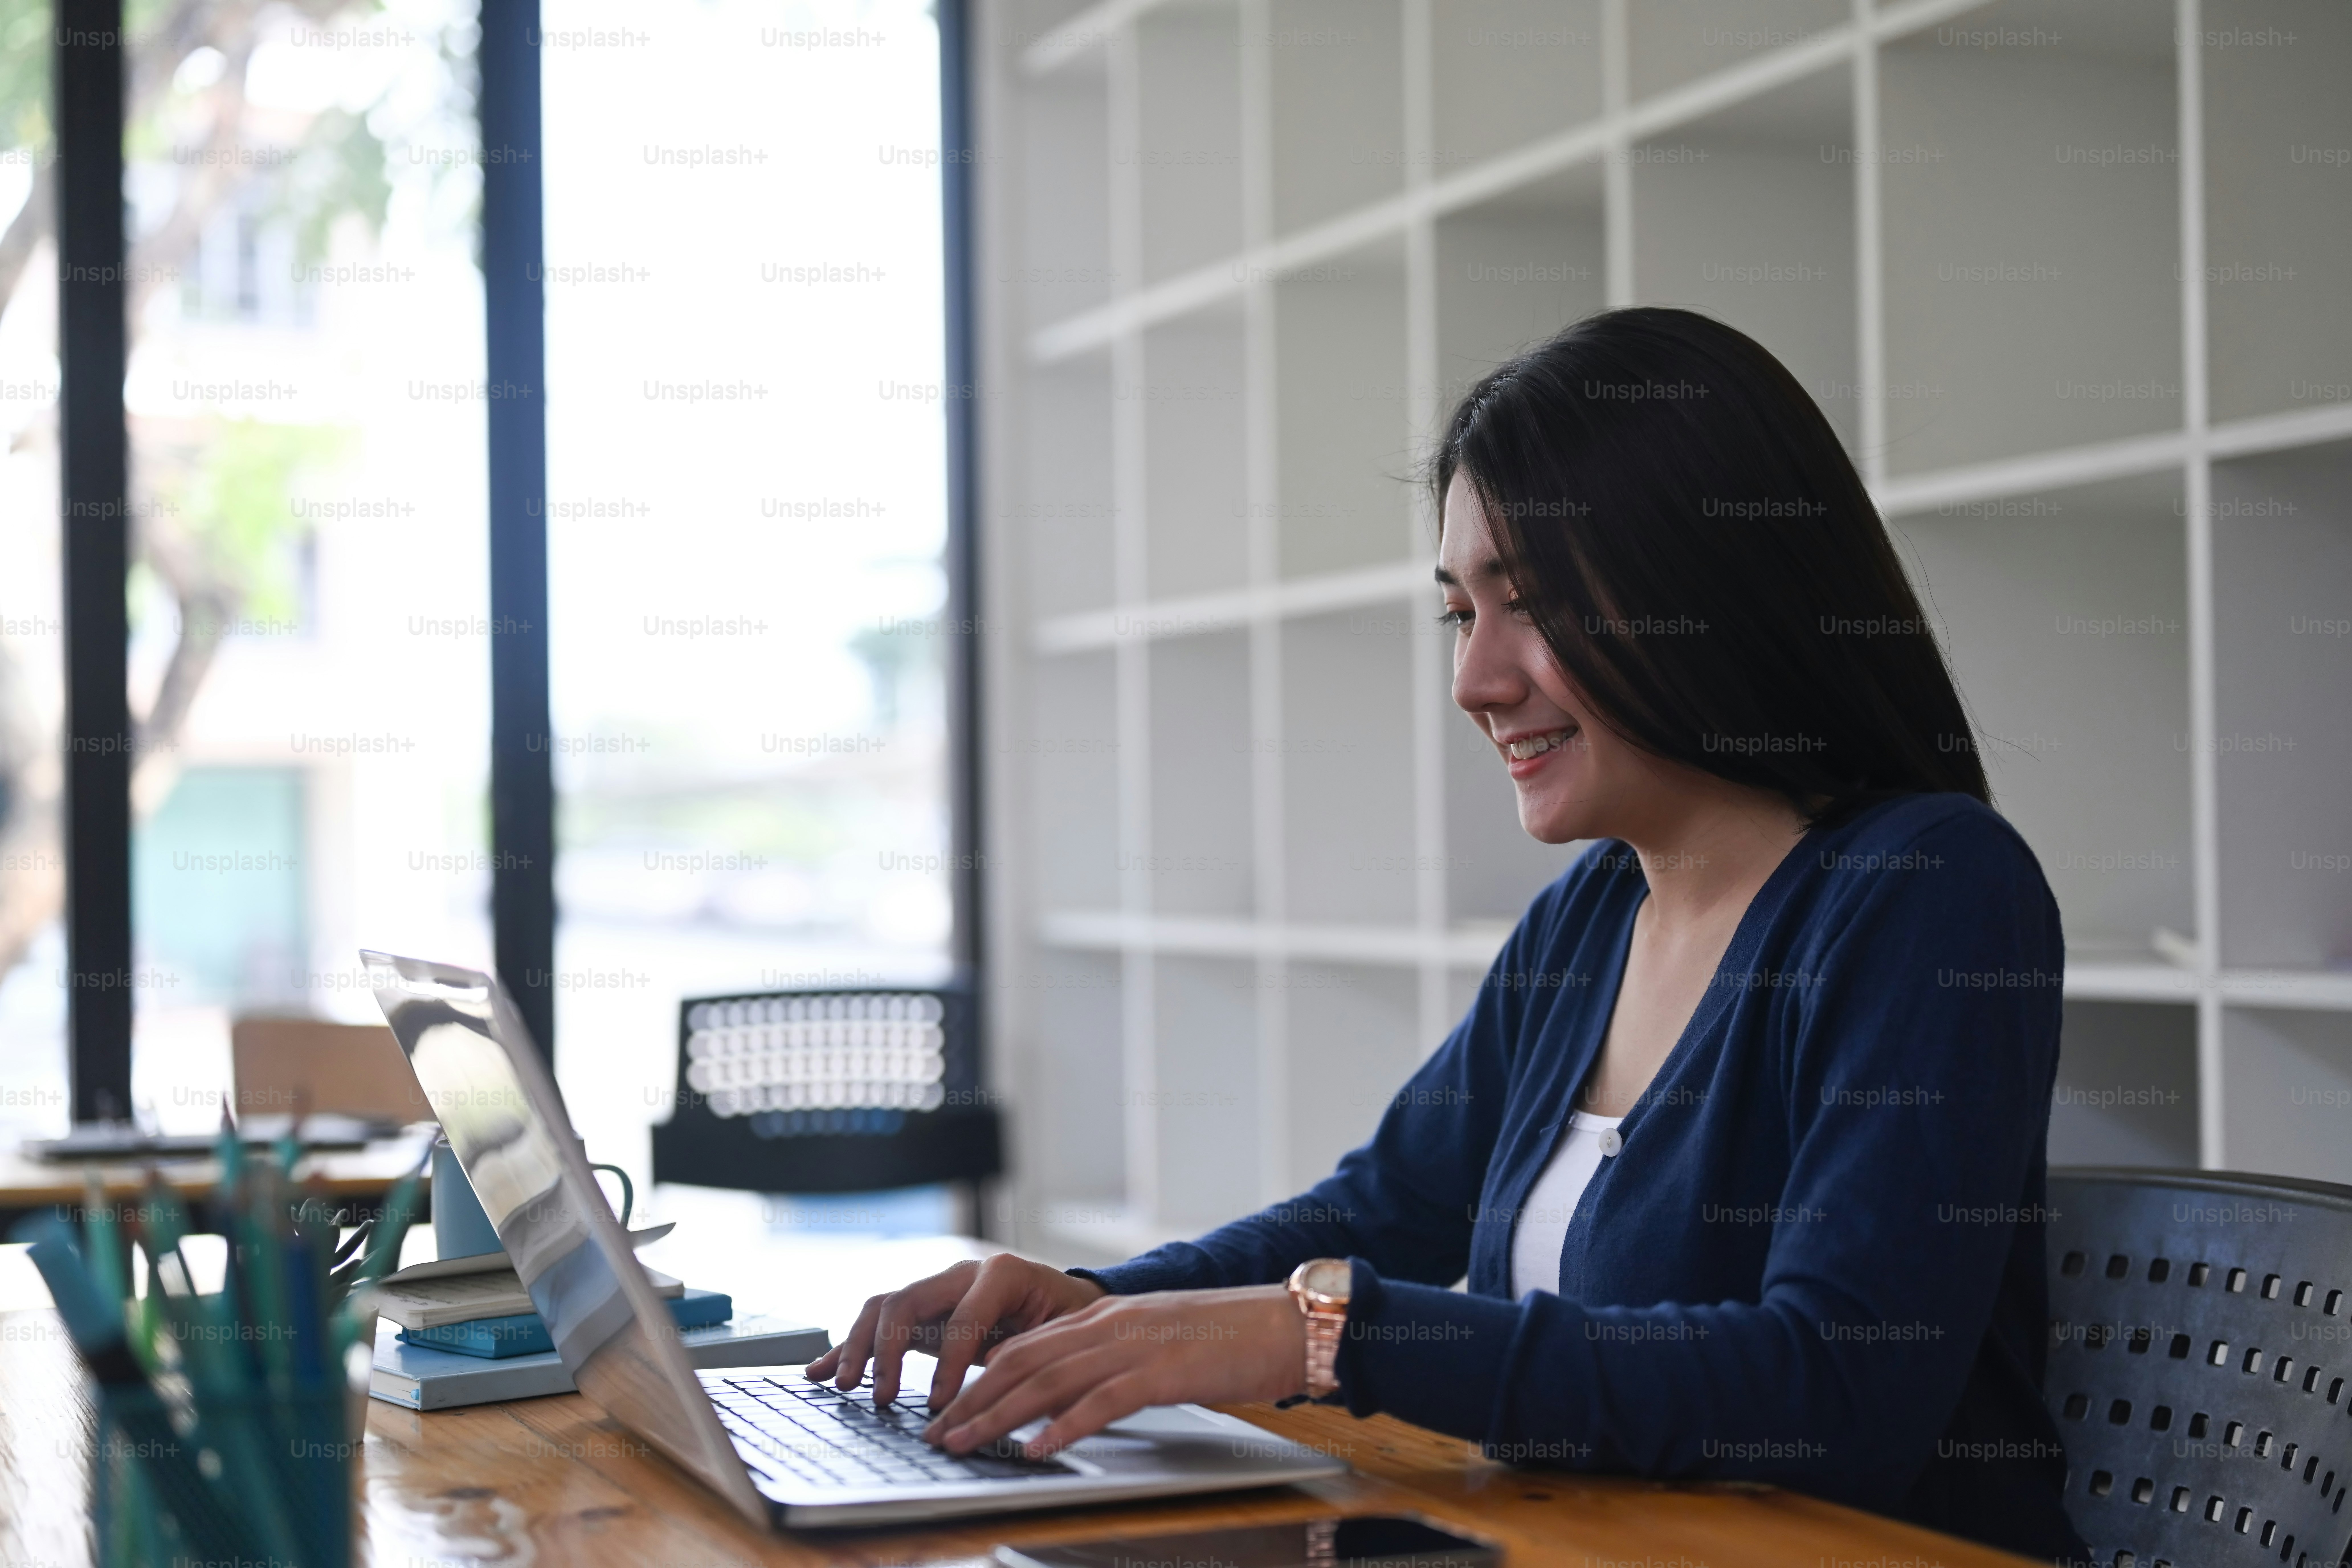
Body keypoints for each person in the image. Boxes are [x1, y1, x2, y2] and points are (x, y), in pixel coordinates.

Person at [806, 307, 2085, 1561]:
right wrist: (1107, 1301)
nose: (1476, 680)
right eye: (1459, 614)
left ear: (1714, 592)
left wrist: (1327, 1335)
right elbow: (1393, 1204)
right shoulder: (1591, 916)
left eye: (1528, 603)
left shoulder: (1928, 886)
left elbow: (1830, 1392)